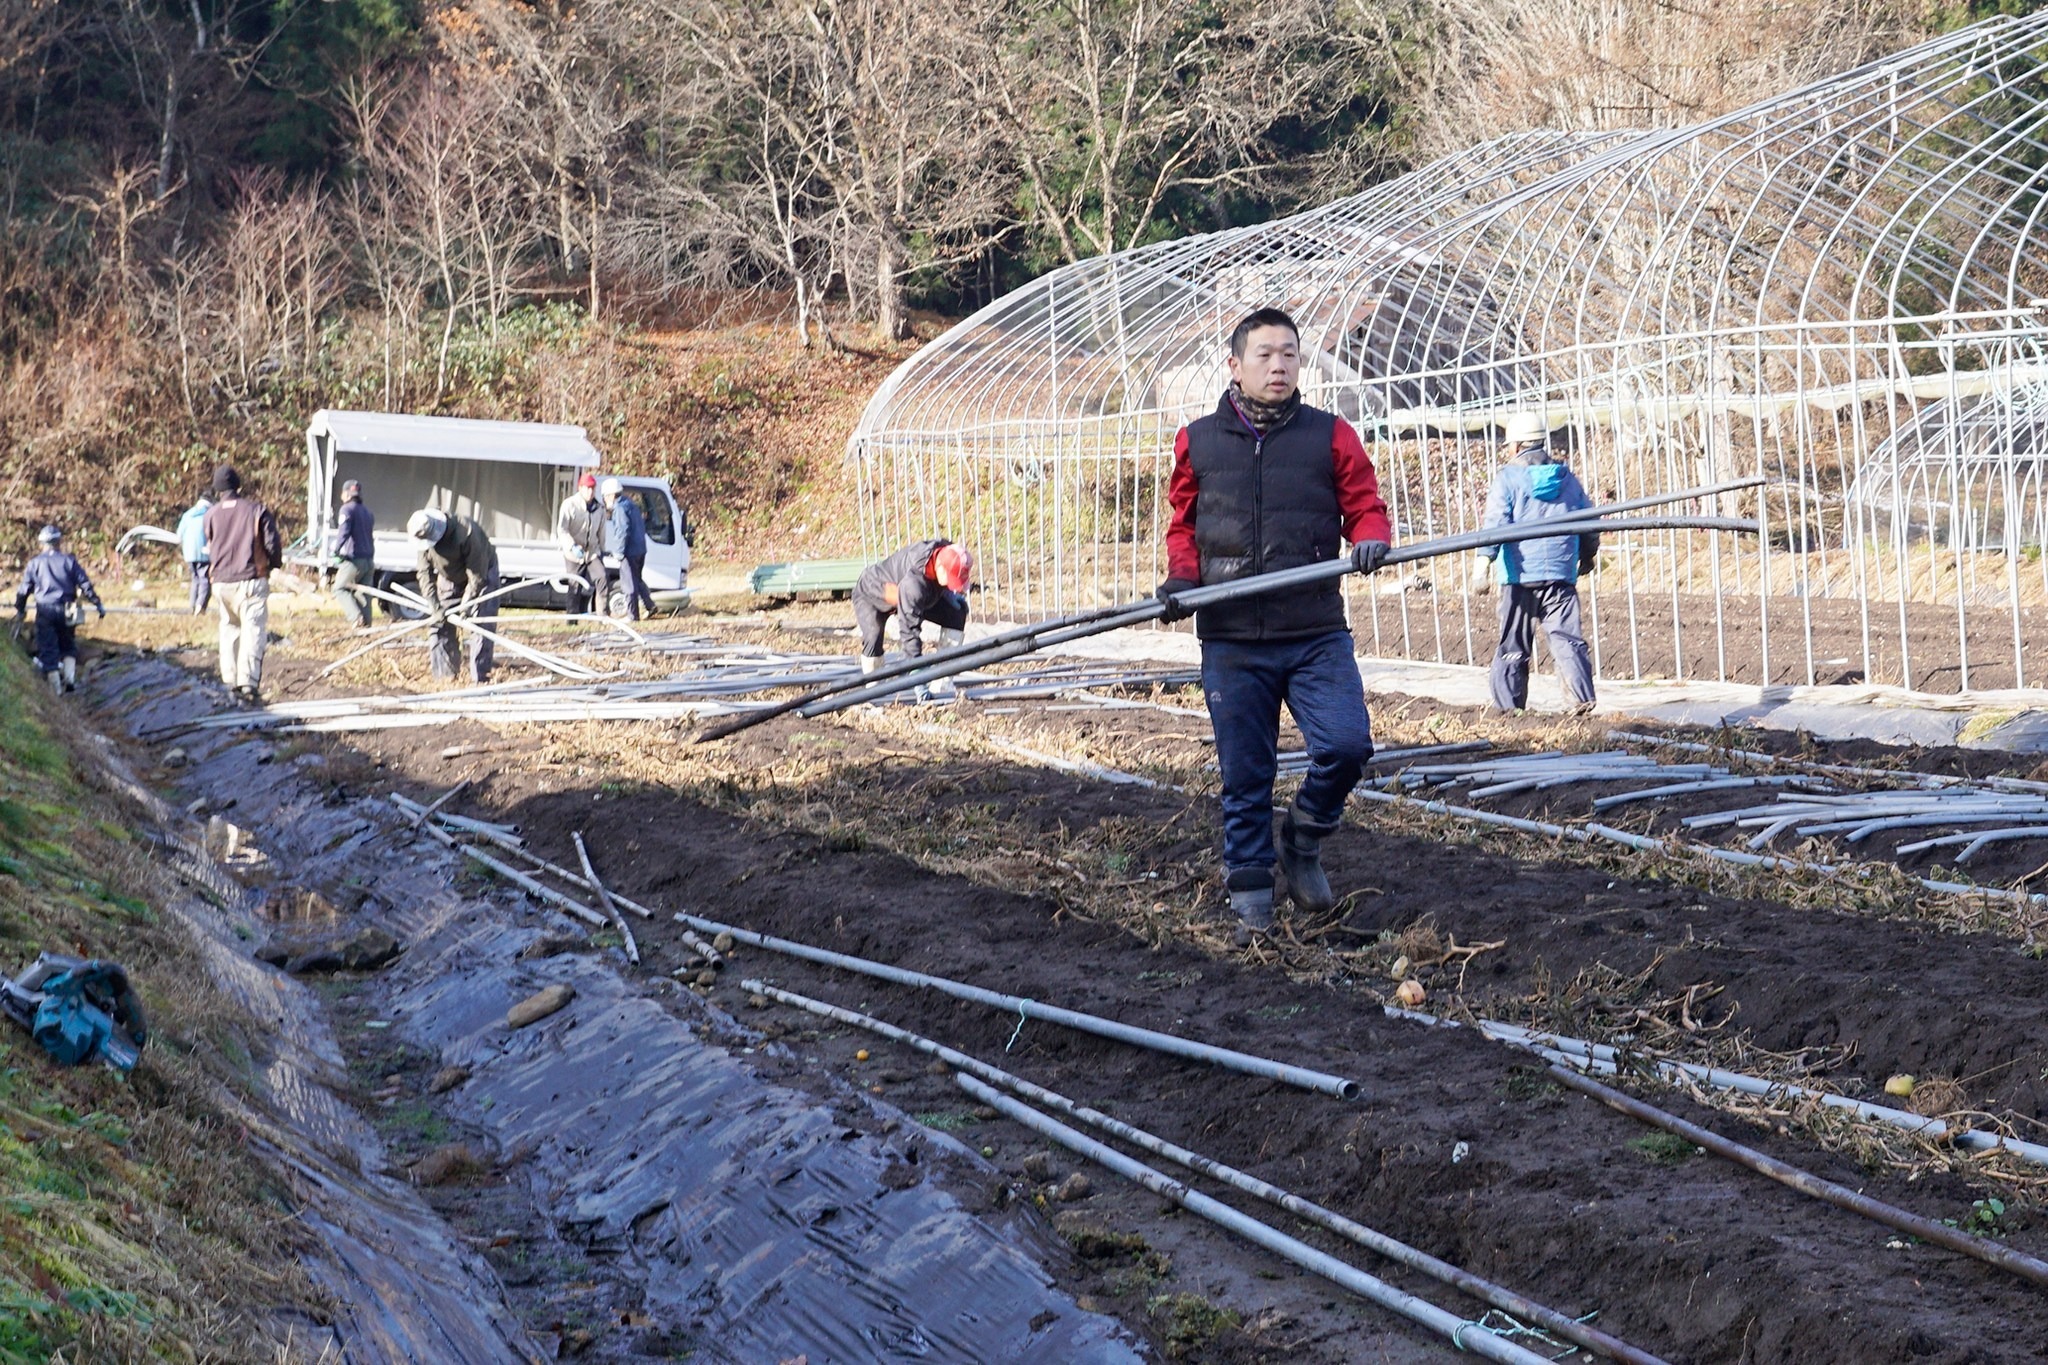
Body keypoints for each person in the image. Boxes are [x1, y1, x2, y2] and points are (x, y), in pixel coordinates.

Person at [1155, 307, 1392, 939]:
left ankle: (1304, 837)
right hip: (1232, 635)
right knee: (1245, 773)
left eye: (1288, 353)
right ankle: (1252, 898)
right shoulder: (1198, 440)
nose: (1278, 365)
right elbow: (1184, 523)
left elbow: (1365, 504)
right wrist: (1183, 580)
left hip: (1313, 629)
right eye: (1264, 354)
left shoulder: (1330, 435)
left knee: (1345, 747)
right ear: (1235, 365)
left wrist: (1370, 537)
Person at [1475, 412, 1597, 715]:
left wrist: (1482, 564)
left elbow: (1495, 524)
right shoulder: (1567, 479)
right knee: (1567, 639)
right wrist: (1588, 556)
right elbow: (1589, 522)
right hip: (1560, 575)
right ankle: (1581, 700)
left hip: (1518, 576)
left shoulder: (1507, 479)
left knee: (1514, 644)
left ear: (1516, 446)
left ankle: (1508, 708)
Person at [202, 465, 282, 704]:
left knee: (229, 630)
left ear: (217, 490)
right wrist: (274, 564)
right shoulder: (256, 510)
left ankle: (229, 680)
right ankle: (247, 683)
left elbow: (209, 544)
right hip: (251, 579)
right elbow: (272, 543)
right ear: (239, 486)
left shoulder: (210, 515)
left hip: (221, 582)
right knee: (253, 631)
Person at [853, 540, 973, 676]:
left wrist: (950, 593)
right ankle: (873, 687)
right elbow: (909, 629)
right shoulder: (914, 584)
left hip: (914, 593)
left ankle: (943, 680)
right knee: (873, 638)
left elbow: (950, 572)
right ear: (939, 567)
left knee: (956, 613)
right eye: (950, 581)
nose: (952, 586)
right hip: (873, 590)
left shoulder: (948, 552)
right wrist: (915, 666)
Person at [408, 508, 499, 684]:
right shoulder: (423, 538)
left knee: (480, 625)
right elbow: (424, 573)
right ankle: (445, 676)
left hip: (482, 573)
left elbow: (476, 576)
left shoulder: (466, 532)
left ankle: (479, 679)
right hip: (449, 576)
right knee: (438, 624)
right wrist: (435, 607)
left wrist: (466, 603)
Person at [13, 525, 103, 695]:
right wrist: (97, 603)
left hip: (46, 608)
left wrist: (20, 608)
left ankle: (56, 691)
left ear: (42, 543)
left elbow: (24, 589)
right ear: (59, 542)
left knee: (48, 646)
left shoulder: (35, 563)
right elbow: (85, 584)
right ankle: (70, 679)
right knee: (69, 644)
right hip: (70, 607)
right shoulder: (69, 561)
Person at [600, 478, 656, 621]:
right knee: (637, 580)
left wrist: (618, 552)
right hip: (640, 549)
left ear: (611, 495)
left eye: (605, 497)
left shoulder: (619, 508)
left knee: (628, 583)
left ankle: (632, 615)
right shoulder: (630, 504)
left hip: (629, 551)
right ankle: (650, 605)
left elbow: (622, 531)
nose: (605, 501)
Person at [330, 479, 377, 629]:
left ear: (346, 494)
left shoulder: (346, 510)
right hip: (369, 561)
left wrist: (336, 551)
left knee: (339, 588)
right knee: (363, 594)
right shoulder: (368, 512)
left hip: (355, 560)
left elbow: (344, 532)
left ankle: (356, 618)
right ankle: (366, 628)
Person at [556, 472, 605, 615]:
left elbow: (601, 532)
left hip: (592, 552)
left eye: (592, 488)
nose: (590, 492)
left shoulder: (599, 508)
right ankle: (572, 618)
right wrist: (571, 546)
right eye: (587, 488)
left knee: (602, 578)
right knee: (574, 585)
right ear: (580, 488)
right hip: (573, 553)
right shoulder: (569, 505)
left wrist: (602, 549)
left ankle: (603, 614)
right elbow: (562, 529)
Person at [176, 491, 212, 615]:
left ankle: (192, 606)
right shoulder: (210, 514)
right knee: (205, 579)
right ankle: (200, 606)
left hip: (189, 553)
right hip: (204, 551)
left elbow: (179, 535)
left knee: (195, 578)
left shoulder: (188, 514)